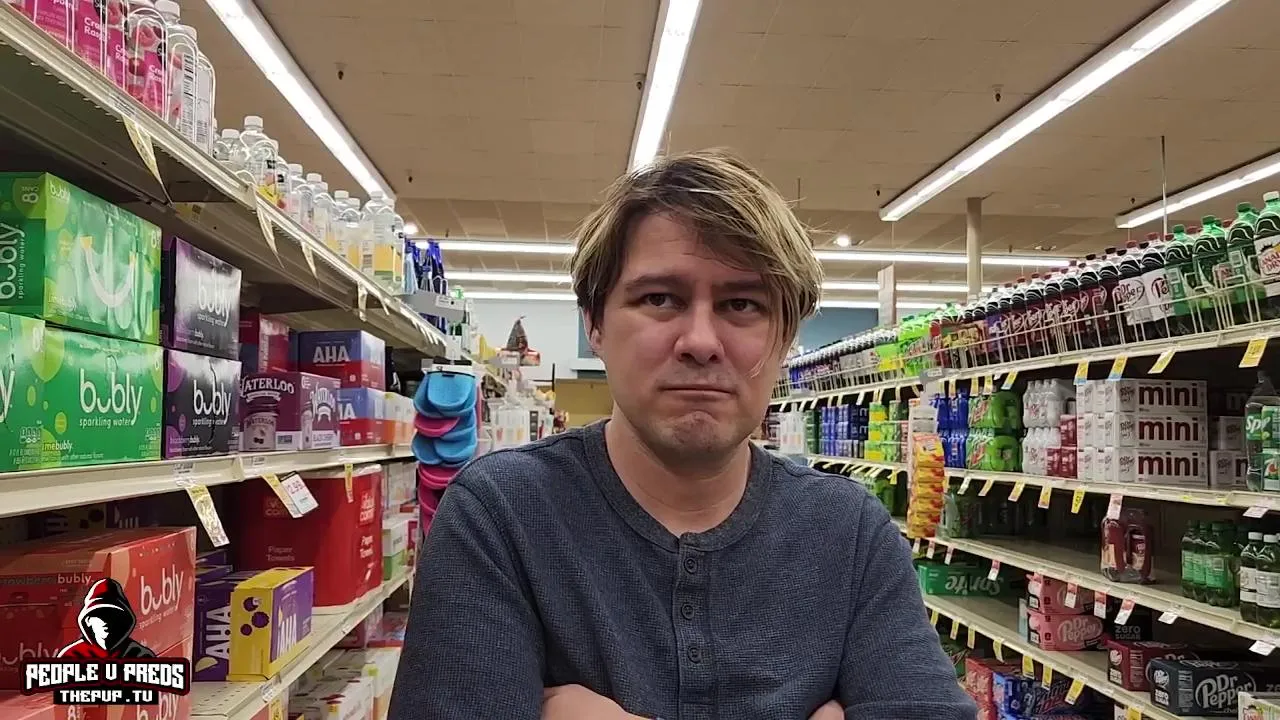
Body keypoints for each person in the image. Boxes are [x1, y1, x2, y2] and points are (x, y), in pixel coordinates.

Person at [388, 149, 977, 720]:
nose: (700, 341)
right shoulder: (501, 515)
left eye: (742, 304)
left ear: (785, 338)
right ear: (594, 324)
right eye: (660, 298)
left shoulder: (849, 533)